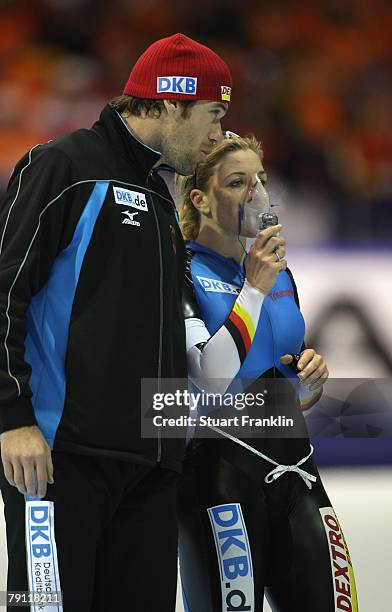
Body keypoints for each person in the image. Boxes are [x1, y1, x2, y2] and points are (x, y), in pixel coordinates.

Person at [0, 33, 232, 612]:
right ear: (171, 101)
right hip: (58, 462)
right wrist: (12, 418)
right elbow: (6, 293)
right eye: (213, 114)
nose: (218, 135)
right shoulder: (65, 167)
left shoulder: (159, 197)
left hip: (150, 470)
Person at [177, 135, 359, 611]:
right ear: (201, 198)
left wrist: (308, 383)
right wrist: (252, 289)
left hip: (298, 473)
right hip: (221, 478)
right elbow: (210, 379)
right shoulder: (179, 269)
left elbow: (287, 391)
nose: (256, 193)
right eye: (237, 182)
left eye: (259, 180)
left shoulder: (280, 273)